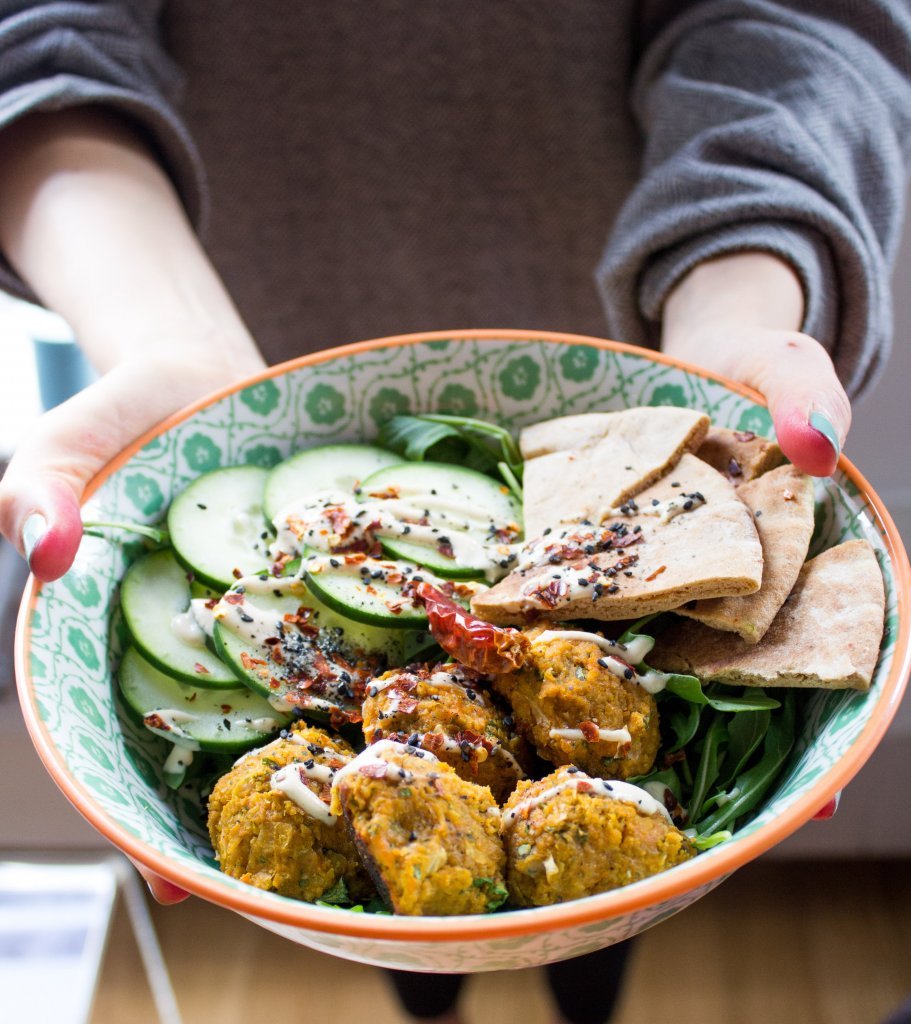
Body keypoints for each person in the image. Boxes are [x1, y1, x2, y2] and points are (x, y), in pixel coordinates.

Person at [0, 3, 908, 1023]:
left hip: (642, 330)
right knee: (412, 927)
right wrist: (162, 341)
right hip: (230, 326)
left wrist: (736, 299)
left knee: (587, 933)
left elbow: (787, 20)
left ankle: (582, 989)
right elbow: (38, 32)